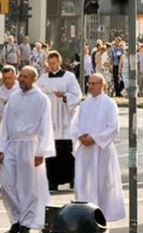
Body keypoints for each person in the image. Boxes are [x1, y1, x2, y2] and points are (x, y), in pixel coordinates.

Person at [0, 66, 55, 233]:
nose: (21, 79)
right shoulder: (14, 97)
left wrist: (40, 152)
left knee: (29, 188)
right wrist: (1, 146)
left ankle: (27, 223)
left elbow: (45, 127)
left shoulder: (42, 99)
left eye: (25, 77)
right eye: (20, 76)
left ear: (33, 79)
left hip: (31, 146)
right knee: (7, 185)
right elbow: (5, 125)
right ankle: (16, 218)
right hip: (12, 145)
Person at [70, 74, 125, 222]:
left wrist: (94, 138)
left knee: (103, 183)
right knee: (84, 182)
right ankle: (85, 215)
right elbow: (75, 124)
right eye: (90, 83)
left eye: (94, 83)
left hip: (102, 150)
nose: (91, 86)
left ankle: (103, 215)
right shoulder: (84, 104)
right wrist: (81, 136)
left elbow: (113, 127)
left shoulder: (109, 104)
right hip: (85, 151)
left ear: (102, 85)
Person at [36, 51, 82, 191]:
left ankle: (72, 178)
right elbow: (36, 94)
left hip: (64, 117)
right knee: (51, 152)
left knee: (67, 151)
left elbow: (77, 95)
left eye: (54, 63)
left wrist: (64, 96)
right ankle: (52, 180)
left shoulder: (69, 77)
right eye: (49, 64)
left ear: (59, 62)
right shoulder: (42, 79)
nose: (51, 66)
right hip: (50, 118)